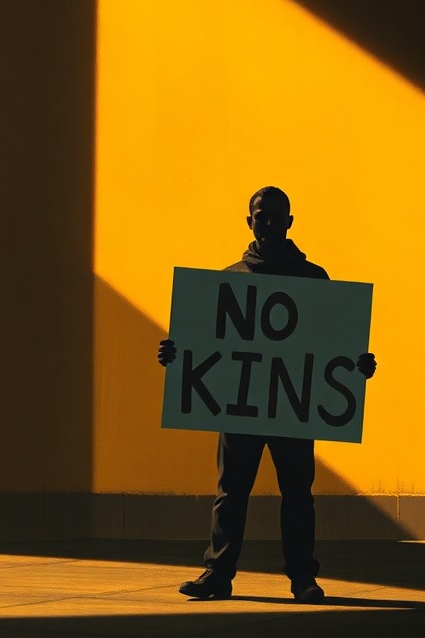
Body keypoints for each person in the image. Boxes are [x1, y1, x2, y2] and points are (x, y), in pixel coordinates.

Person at [157, 186, 376, 604]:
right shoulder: (229, 281)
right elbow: (203, 343)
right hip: (240, 408)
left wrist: (357, 364)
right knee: (230, 492)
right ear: (249, 221)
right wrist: (175, 354)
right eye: (262, 215)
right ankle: (218, 573)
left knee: (297, 493)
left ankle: (302, 579)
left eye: (277, 215)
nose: (270, 222)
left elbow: (335, 345)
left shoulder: (314, 280)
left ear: (290, 222)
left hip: (292, 408)